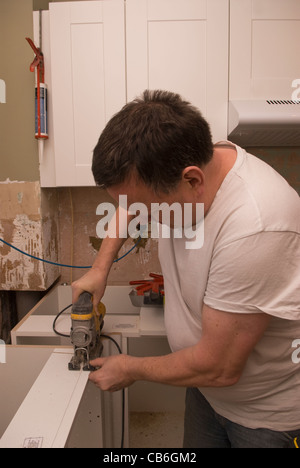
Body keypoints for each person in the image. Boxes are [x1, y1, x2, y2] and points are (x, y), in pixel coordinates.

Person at [72, 90, 300, 448]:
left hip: (265, 417)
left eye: (147, 208)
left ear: (192, 181)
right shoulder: (186, 164)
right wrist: (100, 267)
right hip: (205, 393)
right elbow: (130, 201)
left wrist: (130, 368)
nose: (139, 216)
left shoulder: (256, 225)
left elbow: (219, 367)